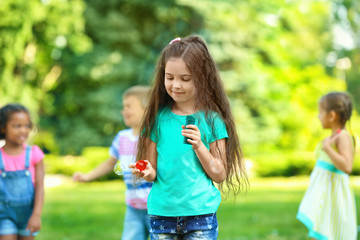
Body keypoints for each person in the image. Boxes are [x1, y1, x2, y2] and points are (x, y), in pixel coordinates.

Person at [130, 35, 248, 240]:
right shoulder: (157, 119)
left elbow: (219, 174)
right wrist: (146, 170)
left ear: (202, 78)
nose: (176, 85)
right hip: (162, 215)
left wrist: (200, 146)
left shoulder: (212, 121)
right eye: (170, 77)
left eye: (185, 79)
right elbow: (151, 171)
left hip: (200, 215)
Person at [72, 85, 152, 240]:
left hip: (156, 207)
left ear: (146, 109)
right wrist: (87, 176)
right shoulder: (122, 137)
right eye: (123, 107)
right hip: (133, 207)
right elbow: (109, 163)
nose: (124, 111)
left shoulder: (153, 137)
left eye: (128, 106)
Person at [297, 92, 357, 240]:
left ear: (332, 115)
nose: (318, 116)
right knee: (321, 232)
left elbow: (347, 166)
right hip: (325, 195)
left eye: (320, 112)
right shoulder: (335, 135)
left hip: (334, 197)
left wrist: (328, 148)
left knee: (330, 232)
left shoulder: (342, 136)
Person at [0, 104, 45, 239]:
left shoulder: (34, 154)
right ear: (3, 127)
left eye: (26, 126)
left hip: (28, 215)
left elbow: (40, 187)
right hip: (3, 215)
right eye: (17, 126)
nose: (23, 130)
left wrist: (36, 215)